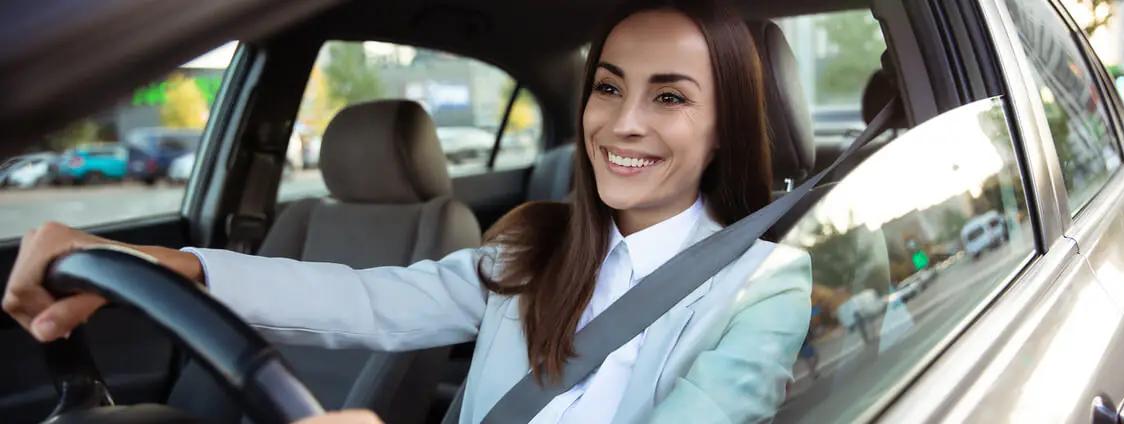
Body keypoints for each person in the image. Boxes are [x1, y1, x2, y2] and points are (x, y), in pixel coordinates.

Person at [3, 0, 813, 422]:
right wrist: (173, 266)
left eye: (669, 97)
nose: (623, 122)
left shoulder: (763, 283)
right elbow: (367, 302)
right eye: (608, 86)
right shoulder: (535, 244)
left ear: (722, 133)